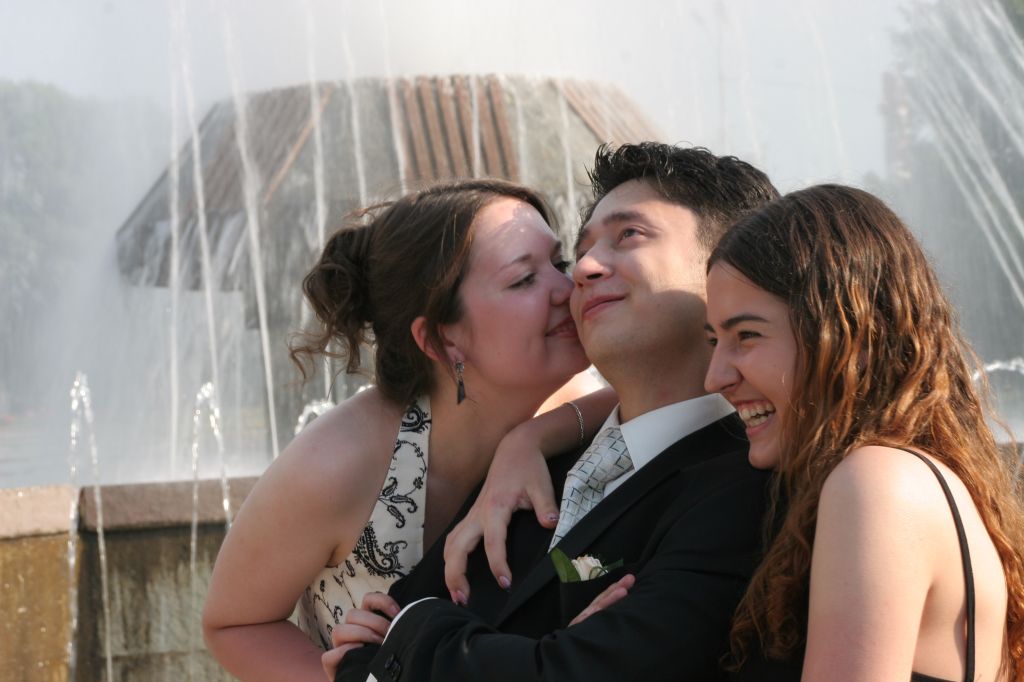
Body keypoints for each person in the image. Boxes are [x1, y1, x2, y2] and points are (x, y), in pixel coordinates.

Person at [331, 143, 780, 681]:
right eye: (580, 252)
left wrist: (417, 630)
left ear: (729, 264)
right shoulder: (528, 465)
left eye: (628, 235)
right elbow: (360, 655)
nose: (582, 270)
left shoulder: (750, 486)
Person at [202, 179, 612, 681]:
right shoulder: (340, 464)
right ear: (441, 339)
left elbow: (675, 393)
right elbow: (234, 623)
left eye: (559, 263)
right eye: (525, 279)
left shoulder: (576, 411)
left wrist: (532, 438)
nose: (570, 287)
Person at [702, 184, 1024, 680]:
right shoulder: (904, 476)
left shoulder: (877, 483)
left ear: (855, 335)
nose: (715, 377)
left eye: (747, 335)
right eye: (714, 341)